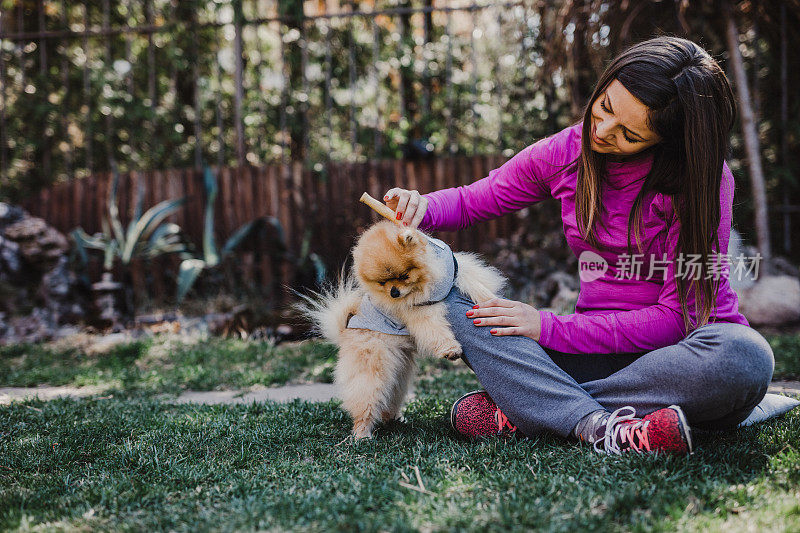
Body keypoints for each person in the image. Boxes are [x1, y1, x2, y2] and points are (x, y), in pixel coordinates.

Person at [382, 36, 774, 455]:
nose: (602, 131)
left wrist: (547, 326)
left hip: (681, 358)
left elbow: (676, 318)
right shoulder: (565, 153)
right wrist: (420, 207)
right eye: (604, 107)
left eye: (629, 133)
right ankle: (605, 423)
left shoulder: (701, 183)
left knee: (744, 359)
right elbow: (478, 198)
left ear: (667, 141)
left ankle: (535, 409)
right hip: (592, 350)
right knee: (446, 298)